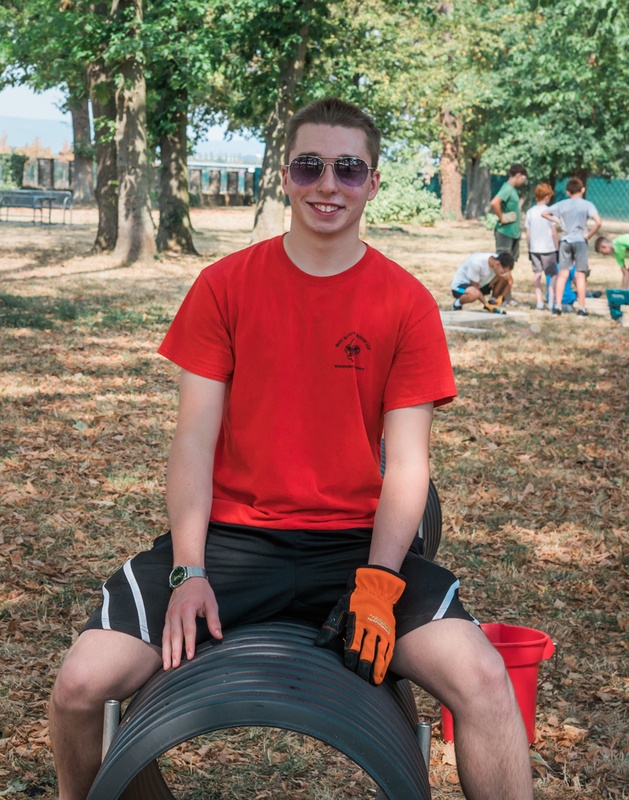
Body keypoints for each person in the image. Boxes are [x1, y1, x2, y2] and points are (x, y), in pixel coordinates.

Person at [48, 97, 533, 800]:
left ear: (372, 181)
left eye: (348, 168)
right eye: (310, 165)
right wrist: (188, 571)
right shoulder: (225, 286)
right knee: (80, 687)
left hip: (353, 550)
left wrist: (380, 578)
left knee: (485, 682)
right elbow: (192, 442)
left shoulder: (403, 303)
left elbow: (409, 466)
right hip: (229, 544)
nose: (327, 184)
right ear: (285, 175)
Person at [542, 177, 602, 317]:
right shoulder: (587, 205)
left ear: (568, 192)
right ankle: (581, 308)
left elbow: (544, 213)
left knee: (562, 274)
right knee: (580, 275)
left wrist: (556, 220)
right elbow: (598, 222)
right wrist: (589, 235)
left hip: (565, 241)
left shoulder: (562, 204)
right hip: (580, 241)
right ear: (582, 189)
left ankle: (557, 307)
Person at [523, 183, 559, 310]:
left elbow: (528, 233)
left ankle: (539, 301)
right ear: (547, 196)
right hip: (548, 248)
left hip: (534, 248)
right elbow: (554, 232)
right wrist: (557, 248)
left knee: (537, 274)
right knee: (553, 274)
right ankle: (551, 300)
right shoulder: (549, 212)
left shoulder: (530, 212)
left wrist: (529, 248)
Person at [449, 251, 514, 313]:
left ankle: (493, 301)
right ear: (497, 264)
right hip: (459, 288)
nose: (504, 273)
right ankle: (457, 304)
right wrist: (486, 304)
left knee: (502, 278)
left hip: (480, 285)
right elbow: (474, 287)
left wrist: (501, 297)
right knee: (474, 294)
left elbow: (509, 281)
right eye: (503, 272)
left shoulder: (498, 261)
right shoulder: (476, 263)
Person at [490, 164, 528, 267]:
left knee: (510, 264)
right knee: (502, 264)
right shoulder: (507, 188)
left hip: (513, 233)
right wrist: (502, 217)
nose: (524, 181)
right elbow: (494, 203)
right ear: (518, 175)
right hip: (505, 233)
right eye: (524, 178)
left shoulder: (513, 190)